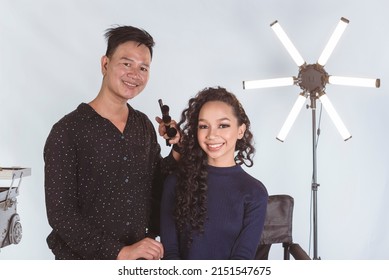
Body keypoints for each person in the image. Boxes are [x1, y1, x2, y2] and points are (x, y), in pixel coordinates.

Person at [44, 25, 180, 260]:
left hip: (138, 260)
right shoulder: (68, 130)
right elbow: (61, 214)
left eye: (143, 68)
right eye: (126, 64)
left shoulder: (143, 125)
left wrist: (178, 147)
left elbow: (154, 184)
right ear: (105, 64)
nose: (135, 74)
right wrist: (119, 252)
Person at [160, 86, 268, 260]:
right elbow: (170, 252)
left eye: (223, 125)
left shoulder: (255, 192)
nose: (212, 135)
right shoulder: (175, 183)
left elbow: (243, 258)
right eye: (204, 126)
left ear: (240, 130)